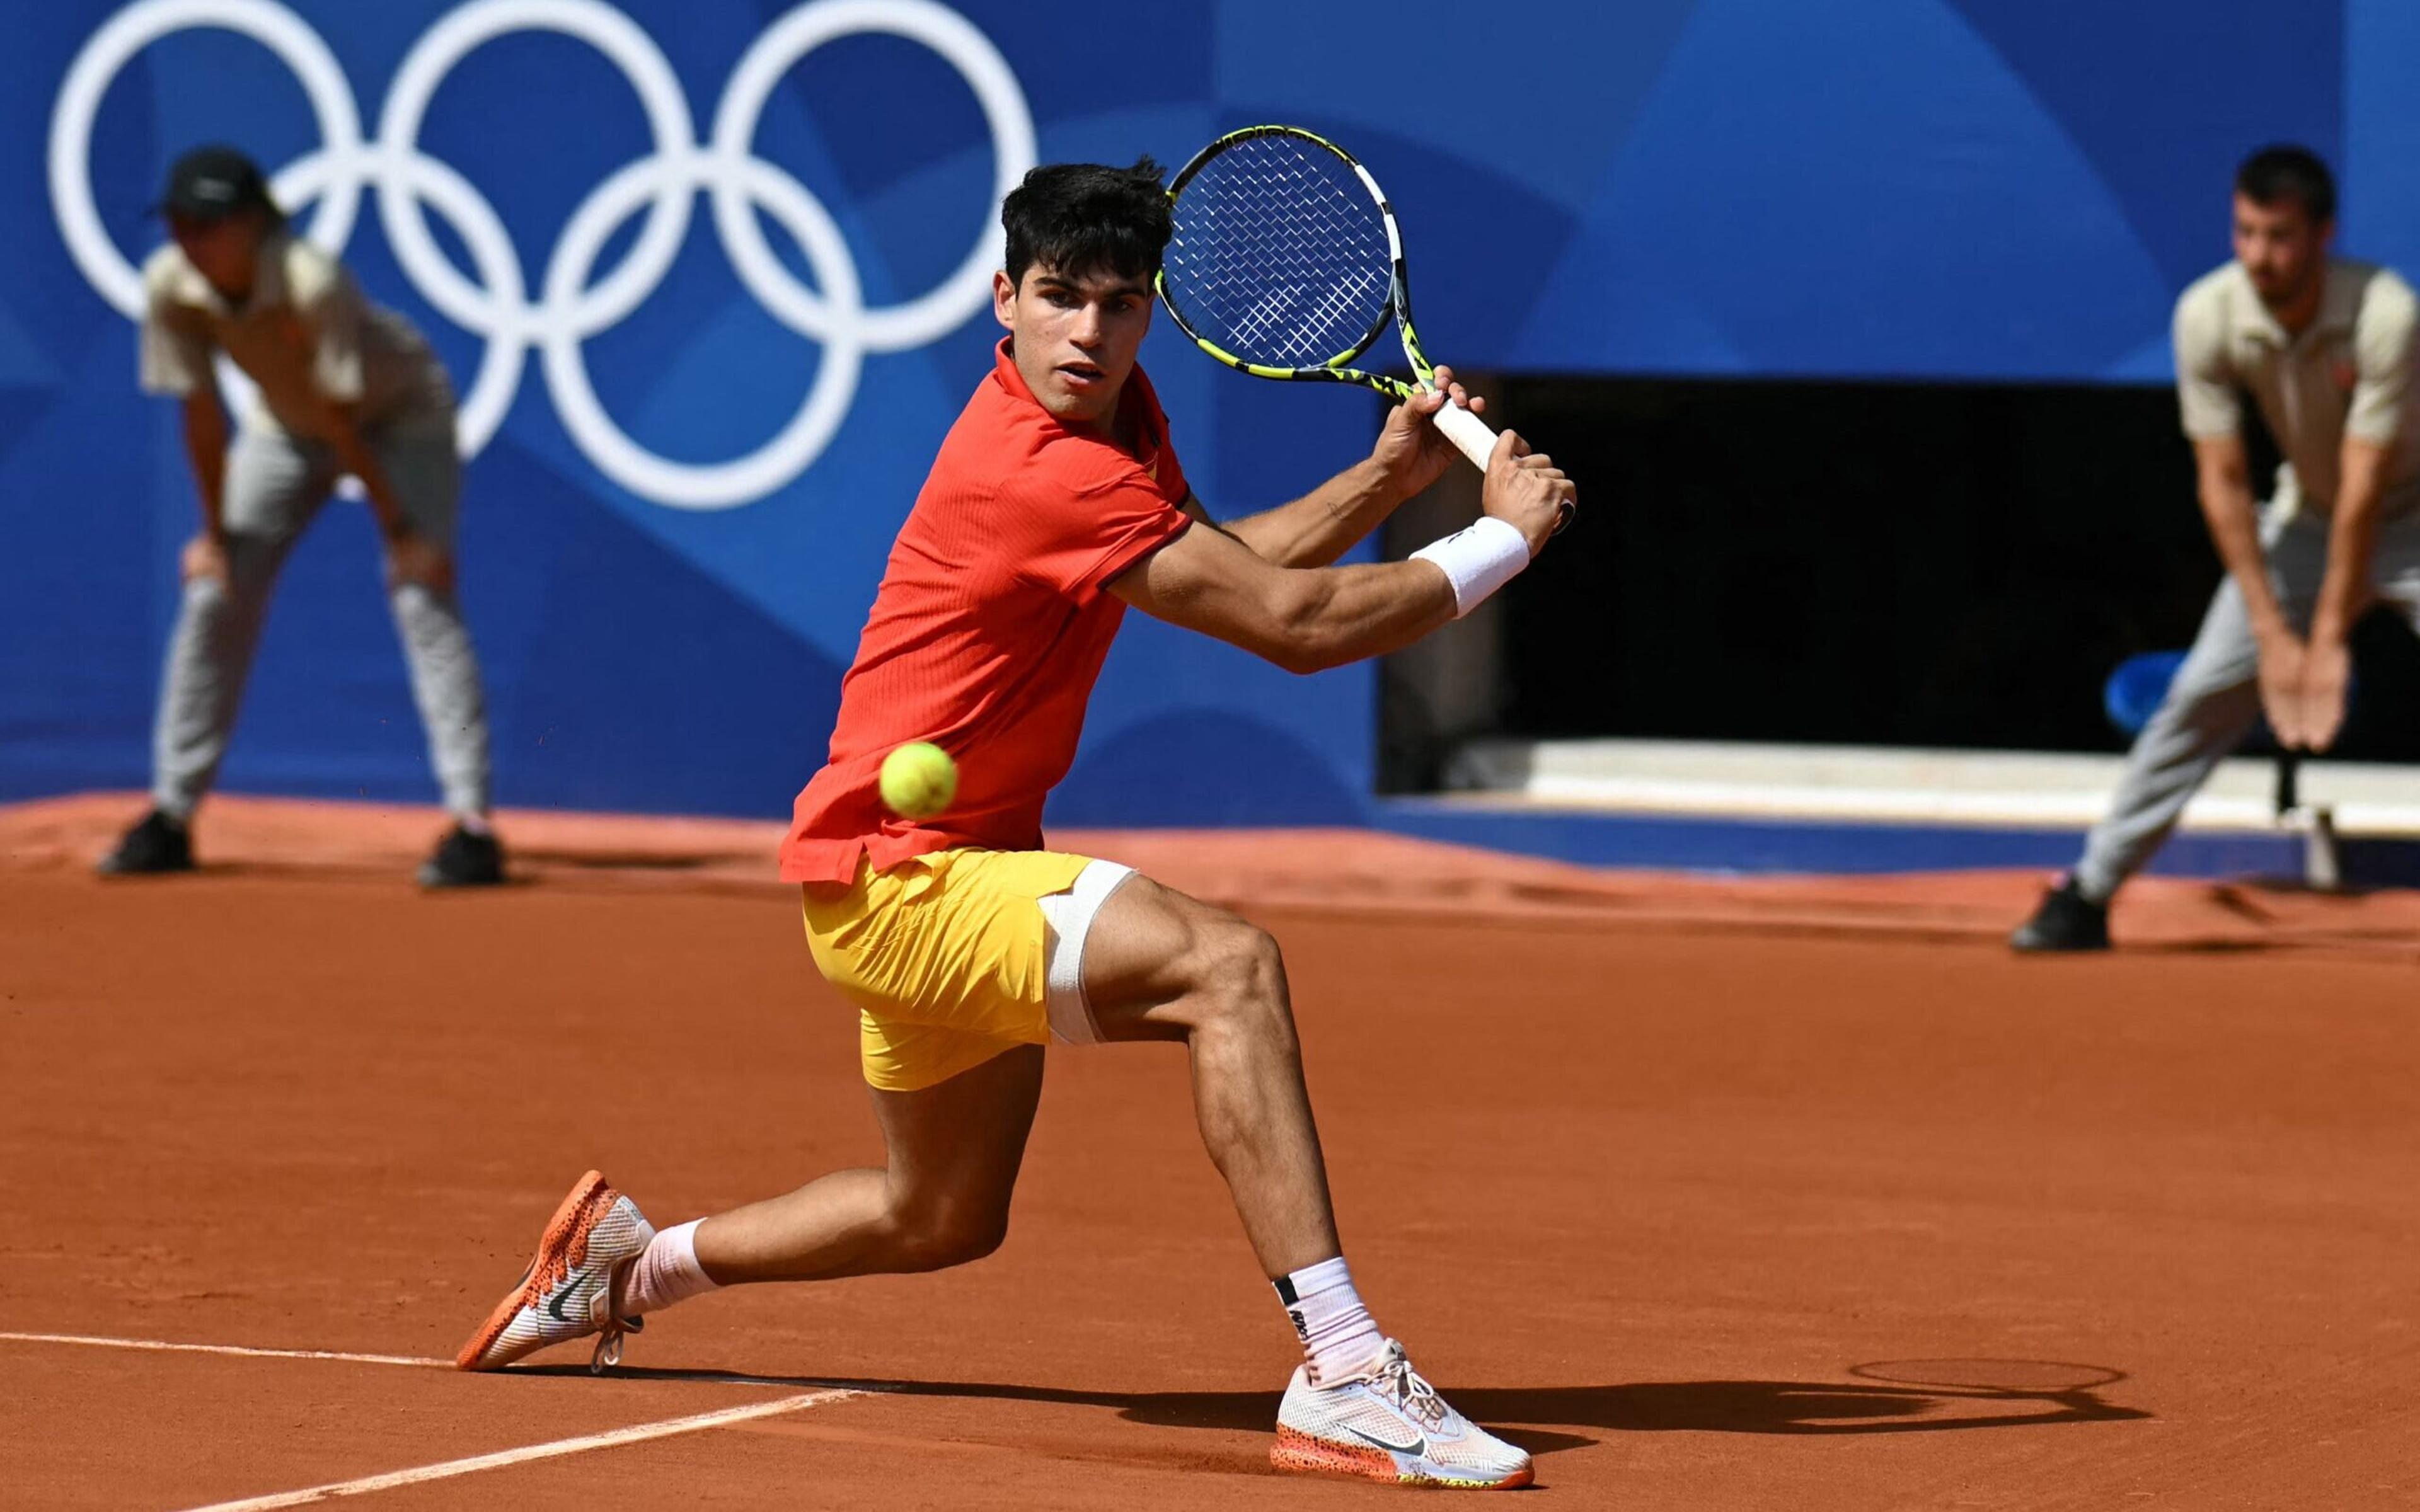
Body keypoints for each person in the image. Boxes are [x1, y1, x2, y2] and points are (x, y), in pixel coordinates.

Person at [456, 158, 1574, 1490]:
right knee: (1231, 970)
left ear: (1149, 315)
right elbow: (1292, 631)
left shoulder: (1117, 424)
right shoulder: (1038, 465)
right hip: (902, 885)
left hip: (945, 872)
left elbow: (1233, 565)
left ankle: (627, 1266)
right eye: (1059, 299)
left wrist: (1386, 487)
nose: (1088, 334)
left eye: (1118, 304)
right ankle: (1343, 1370)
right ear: (1005, 296)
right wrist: (1499, 543)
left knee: (936, 1214)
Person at [2015, 145, 2420, 951]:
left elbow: (2368, 489)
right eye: (2245, 233)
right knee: (2201, 694)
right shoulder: (2208, 314)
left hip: (2410, 517)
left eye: (2280, 236)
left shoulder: (2386, 313)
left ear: (2322, 236)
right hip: (2305, 523)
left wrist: (2329, 640)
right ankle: (2088, 893)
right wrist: (2274, 638)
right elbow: (2224, 482)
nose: (2260, 255)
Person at [96, 145, 504, 887]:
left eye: (207, 223)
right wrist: (215, 537)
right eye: (180, 223)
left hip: (398, 420)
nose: (189, 238)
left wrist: (405, 535)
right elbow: (202, 416)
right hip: (286, 429)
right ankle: (170, 814)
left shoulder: (311, 279)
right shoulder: (169, 286)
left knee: (421, 594)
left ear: (253, 224)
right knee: (213, 594)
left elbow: (346, 422)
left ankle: (472, 825)